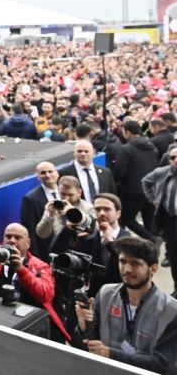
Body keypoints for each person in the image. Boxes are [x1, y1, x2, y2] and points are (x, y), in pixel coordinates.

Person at [75, 237, 177, 373]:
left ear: (153, 269)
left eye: (135, 263)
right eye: (122, 261)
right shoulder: (105, 294)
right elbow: (90, 345)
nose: (127, 269)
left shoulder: (172, 310)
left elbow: (162, 364)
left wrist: (111, 354)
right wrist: (83, 327)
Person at [50, 192, 130, 297]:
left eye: (107, 209)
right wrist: (68, 229)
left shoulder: (128, 240)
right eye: (98, 209)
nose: (101, 213)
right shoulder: (88, 236)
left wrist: (110, 242)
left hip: (116, 296)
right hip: (88, 295)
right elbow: (55, 252)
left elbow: (128, 266)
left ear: (118, 214)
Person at [0, 223, 56, 315]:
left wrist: (21, 269)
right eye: (8, 237)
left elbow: (46, 295)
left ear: (28, 243)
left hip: (27, 315)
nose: (12, 240)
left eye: (17, 237)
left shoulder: (39, 265)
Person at [113, 120, 160, 240]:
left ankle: (152, 239)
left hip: (132, 190)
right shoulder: (152, 148)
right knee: (149, 220)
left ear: (128, 132)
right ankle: (151, 243)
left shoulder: (126, 149)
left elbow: (119, 171)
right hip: (151, 189)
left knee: (127, 218)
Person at [143, 149, 177, 291]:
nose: (175, 160)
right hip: (170, 219)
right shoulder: (162, 172)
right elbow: (146, 181)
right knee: (174, 254)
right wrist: (153, 199)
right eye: (173, 157)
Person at [20, 161, 60, 260]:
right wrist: (36, 257)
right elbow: (29, 231)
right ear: (38, 177)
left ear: (57, 173)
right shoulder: (30, 199)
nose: (47, 175)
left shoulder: (66, 192)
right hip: (47, 252)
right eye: (43, 173)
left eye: (50, 171)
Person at [36, 176, 95, 242]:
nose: (66, 198)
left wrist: (73, 212)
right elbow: (42, 234)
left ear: (79, 193)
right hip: (60, 245)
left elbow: (93, 231)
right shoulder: (54, 207)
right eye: (63, 194)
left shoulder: (89, 207)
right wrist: (49, 217)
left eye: (70, 195)